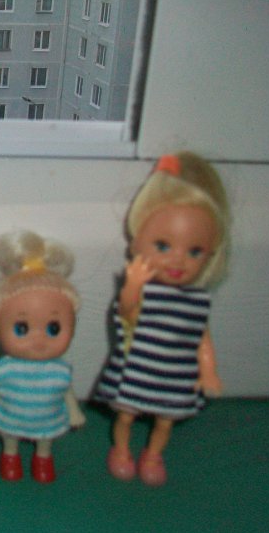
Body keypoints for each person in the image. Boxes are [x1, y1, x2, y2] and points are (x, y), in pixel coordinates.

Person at [93, 152, 231, 486]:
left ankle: (153, 455)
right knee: (125, 416)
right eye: (163, 246)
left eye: (195, 251)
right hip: (136, 372)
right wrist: (133, 286)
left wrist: (209, 370)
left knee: (164, 422)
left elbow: (201, 338)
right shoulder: (144, 293)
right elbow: (127, 314)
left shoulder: (197, 301)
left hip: (174, 377)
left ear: (211, 253)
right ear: (136, 242)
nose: (178, 261)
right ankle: (121, 451)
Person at [0, 231, 85, 483]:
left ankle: (43, 457)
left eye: (53, 328)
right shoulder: (5, 368)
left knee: (45, 439)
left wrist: (74, 412)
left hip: (48, 420)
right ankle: (10, 455)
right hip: (10, 418)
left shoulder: (60, 370)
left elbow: (66, 392)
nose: (38, 340)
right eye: (22, 328)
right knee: (9, 436)